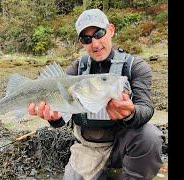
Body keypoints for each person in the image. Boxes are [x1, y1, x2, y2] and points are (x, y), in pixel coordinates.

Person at [28, 8, 163, 180]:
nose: (95, 43)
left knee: (150, 136)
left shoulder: (136, 66)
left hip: (124, 142)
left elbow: (146, 108)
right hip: (88, 147)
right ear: (81, 43)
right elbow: (63, 116)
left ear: (111, 30)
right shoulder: (75, 70)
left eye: (99, 33)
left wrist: (130, 113)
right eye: (86, 38)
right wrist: (54, 119)